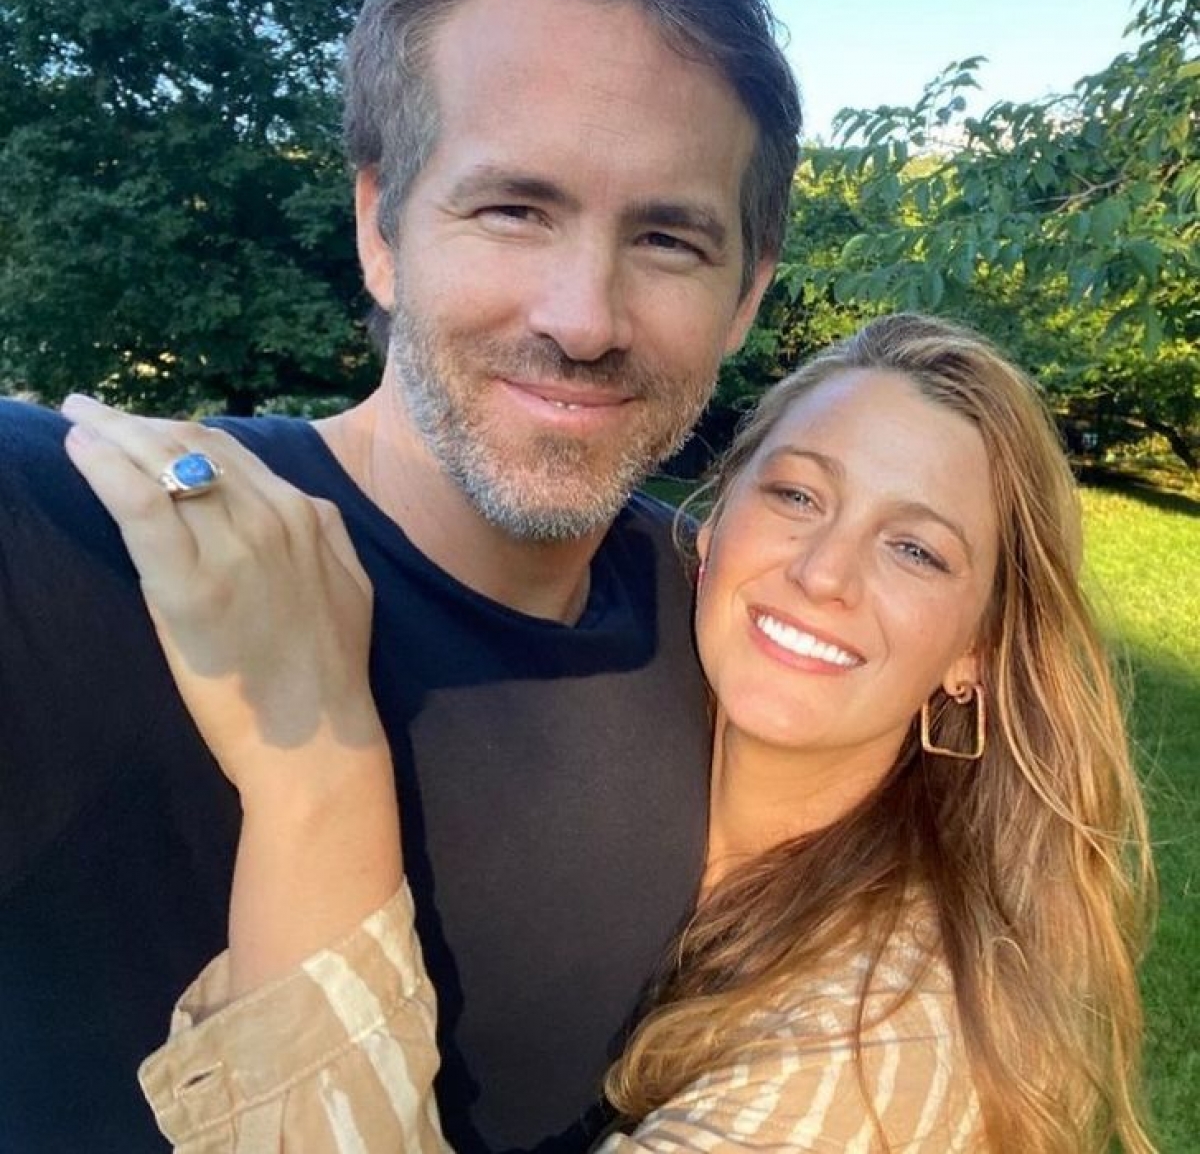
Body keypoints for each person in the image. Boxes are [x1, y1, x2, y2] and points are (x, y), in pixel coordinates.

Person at [0, 0, 800, 1151]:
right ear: (381, 227)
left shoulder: (721, 609)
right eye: (514, 208)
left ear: (744, 295)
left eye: (667, 237)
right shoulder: (94, 538)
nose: (584, 318)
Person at [65, 313, 1156, 1153]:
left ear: (976, 649)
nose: (825, 573)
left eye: (916, 550)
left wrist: (313, 769)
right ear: (713, 523)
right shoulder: (661, 774)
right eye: (796, 495)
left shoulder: (893, 1041)